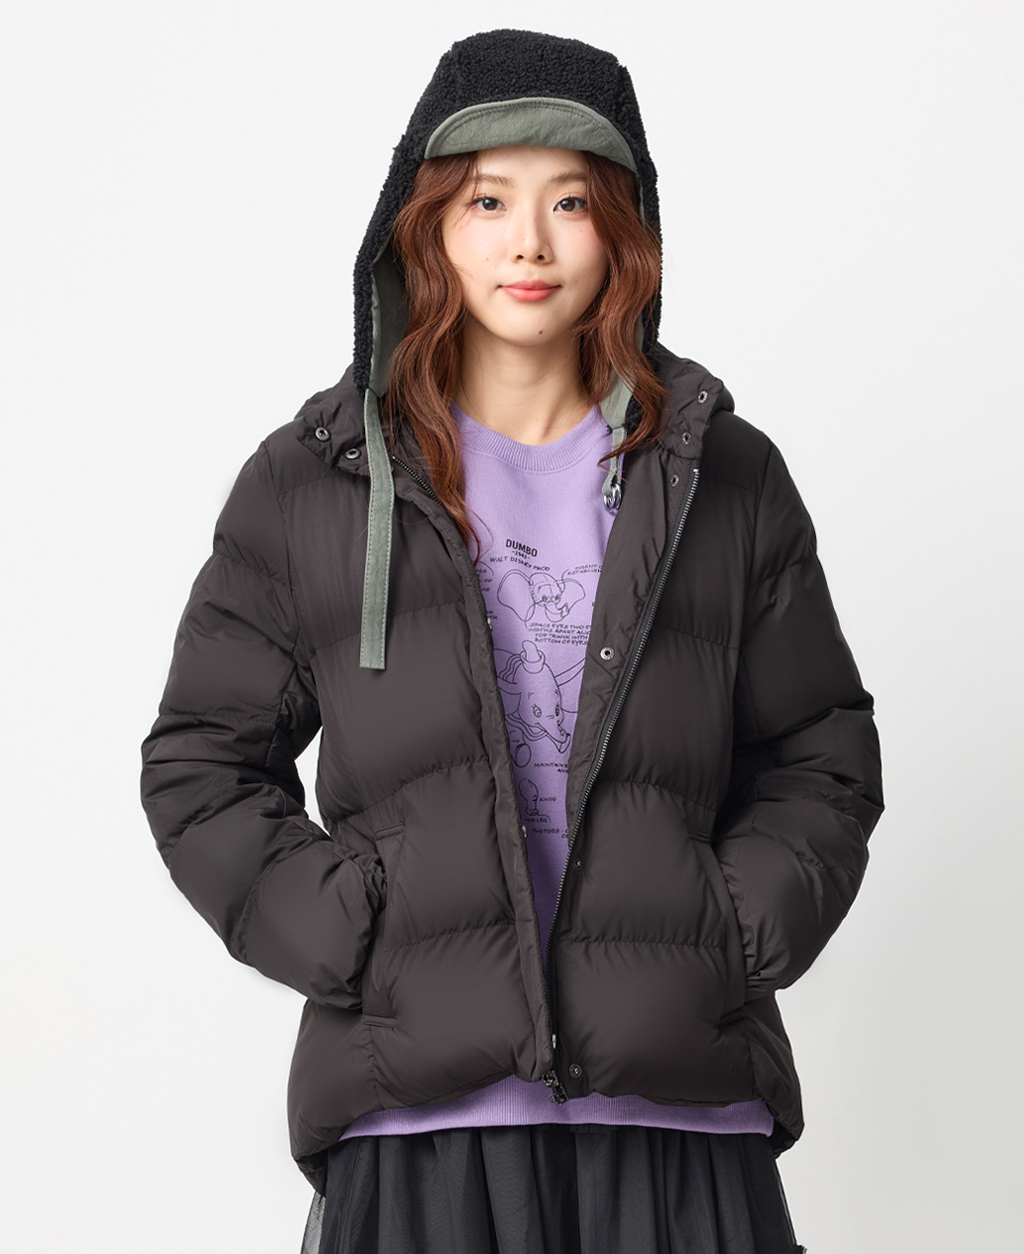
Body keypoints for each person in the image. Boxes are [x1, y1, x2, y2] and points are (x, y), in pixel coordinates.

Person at [140, 27, 883, 1254]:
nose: (527, 243)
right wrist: (353, 933)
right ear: (426, 222)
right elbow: (201, 764)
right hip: (417, 1118)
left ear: (623, 231)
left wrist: (726, 931)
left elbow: (820, 750)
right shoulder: (313, 482)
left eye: (570, 202)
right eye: (486, 199)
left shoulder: (724, 477)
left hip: (676, 1106)